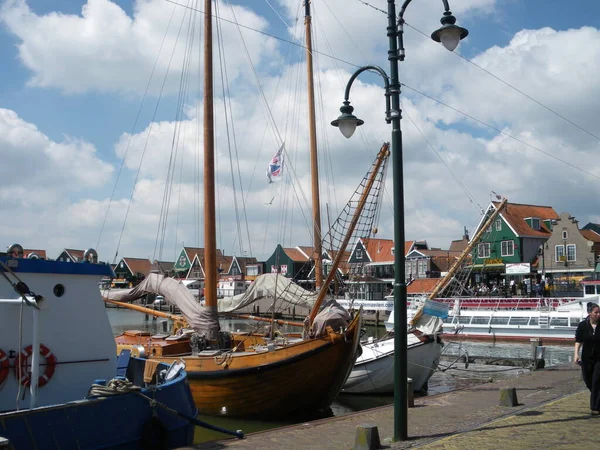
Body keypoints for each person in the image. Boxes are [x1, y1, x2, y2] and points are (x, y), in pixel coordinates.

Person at [574, 302, 600, 415]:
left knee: (596, 381)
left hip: (599, 358)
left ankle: (595, 408)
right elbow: (578, 340)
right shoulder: (582, 325)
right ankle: (597, 398)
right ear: (589, 313)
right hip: (587, 357)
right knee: (588, 381)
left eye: (599, 312)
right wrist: (576, 354)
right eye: (596, 312)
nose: (598, 314)